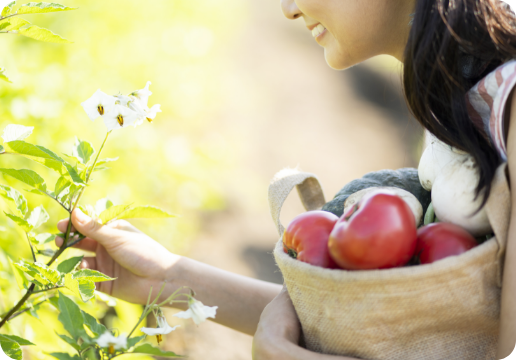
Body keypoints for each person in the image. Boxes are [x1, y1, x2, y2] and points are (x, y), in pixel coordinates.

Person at [56, 0, 516, 359]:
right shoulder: (454, 104)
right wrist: (167, 279)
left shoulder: (510, 108)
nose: (287, 8)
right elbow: (424, 334)